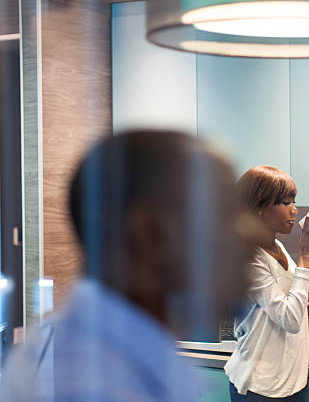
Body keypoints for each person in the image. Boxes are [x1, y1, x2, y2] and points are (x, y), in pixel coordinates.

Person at [0, 130, 257, 401]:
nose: (253, 234)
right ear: (149, 231)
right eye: (225, 213)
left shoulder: (112, 363)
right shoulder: (92, 386)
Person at [225, 165, 309, 402]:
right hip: (261, 387)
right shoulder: (250, 258)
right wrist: (305, 255)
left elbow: (276, 310)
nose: (295, 210)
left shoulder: (276, 246)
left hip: (289, 383)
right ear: (258, 207)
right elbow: (289, 320)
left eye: (294, 201)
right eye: (285, 202)